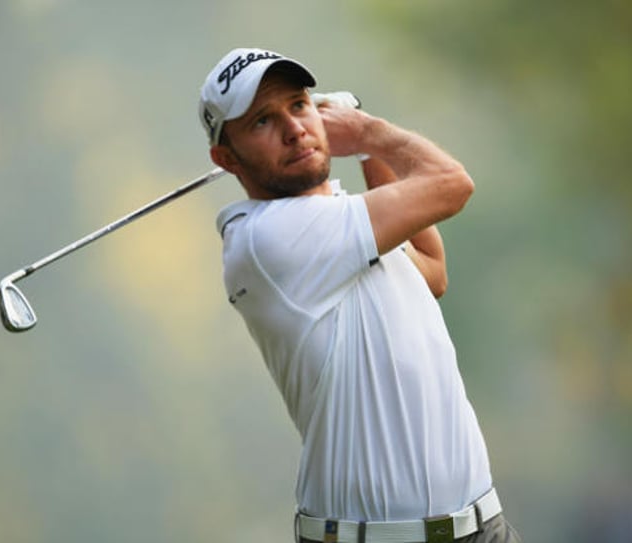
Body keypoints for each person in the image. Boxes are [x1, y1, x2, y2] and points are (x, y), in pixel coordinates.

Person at [198, 48, 521, 543]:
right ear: (226, 157)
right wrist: (369, 132)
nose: (294, 129)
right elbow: (452, 183)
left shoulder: (345, 226)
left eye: (299, 105)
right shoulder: (271, 239)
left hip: (483, 528)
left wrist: (370, 154)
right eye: (264, 120)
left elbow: (431, 272)